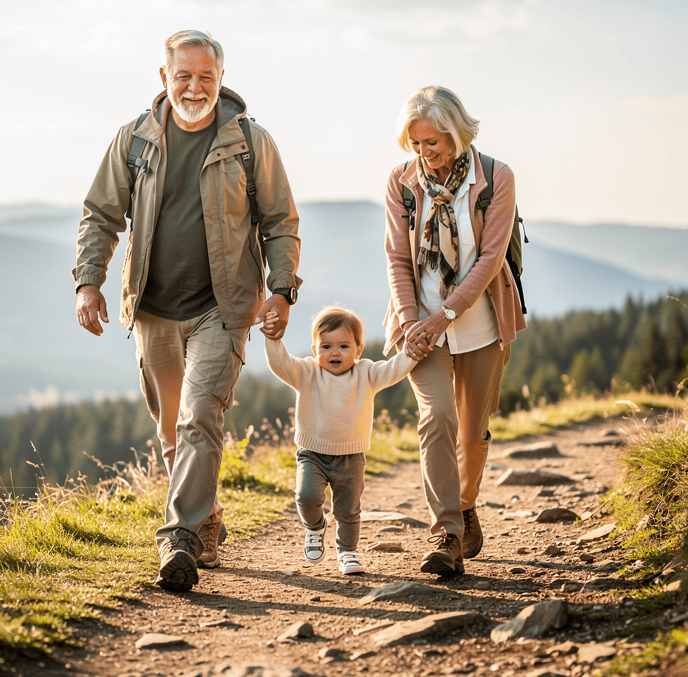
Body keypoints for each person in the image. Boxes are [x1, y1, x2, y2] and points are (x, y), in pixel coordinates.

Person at [73, 30, 301, 592]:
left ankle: (177, 537)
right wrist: (88, 283)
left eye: (206, 77)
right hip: (151, 308)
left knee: (201, 416)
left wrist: (281, 289)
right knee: (173, 429)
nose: (194, 87)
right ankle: (206, 519)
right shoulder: (135, 140)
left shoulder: (249, 141)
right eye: (184, 76)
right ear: (164, 77)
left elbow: (280, 222)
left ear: (221, 79)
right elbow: (100, 214)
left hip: (221, 308)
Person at [382, 85, 526, 576]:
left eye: (435, 143)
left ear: (458, 134)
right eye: (417, 144)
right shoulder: (401, 183)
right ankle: (445, 532)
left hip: (480, 320)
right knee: (436, 418)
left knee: (473, 432)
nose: (426, 154)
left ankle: (464, 505)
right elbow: (397, 258)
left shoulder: (496, 177)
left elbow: (490, 259)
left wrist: (446, 313)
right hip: (419, 322)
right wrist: (410, 321)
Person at [263, 306, 417, 575]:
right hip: (312, 453)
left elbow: (394, 368)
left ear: (358, 350)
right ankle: (315, 527)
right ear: (315, 349)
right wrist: (272, 338)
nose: (334, 352)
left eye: (344, 346)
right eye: (326, 346)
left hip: (351, 457)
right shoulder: (307, 373)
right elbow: (281, 364)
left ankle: (347, 552)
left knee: (348, 510)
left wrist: (413, 353)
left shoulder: (366, 373)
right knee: (306, 496)